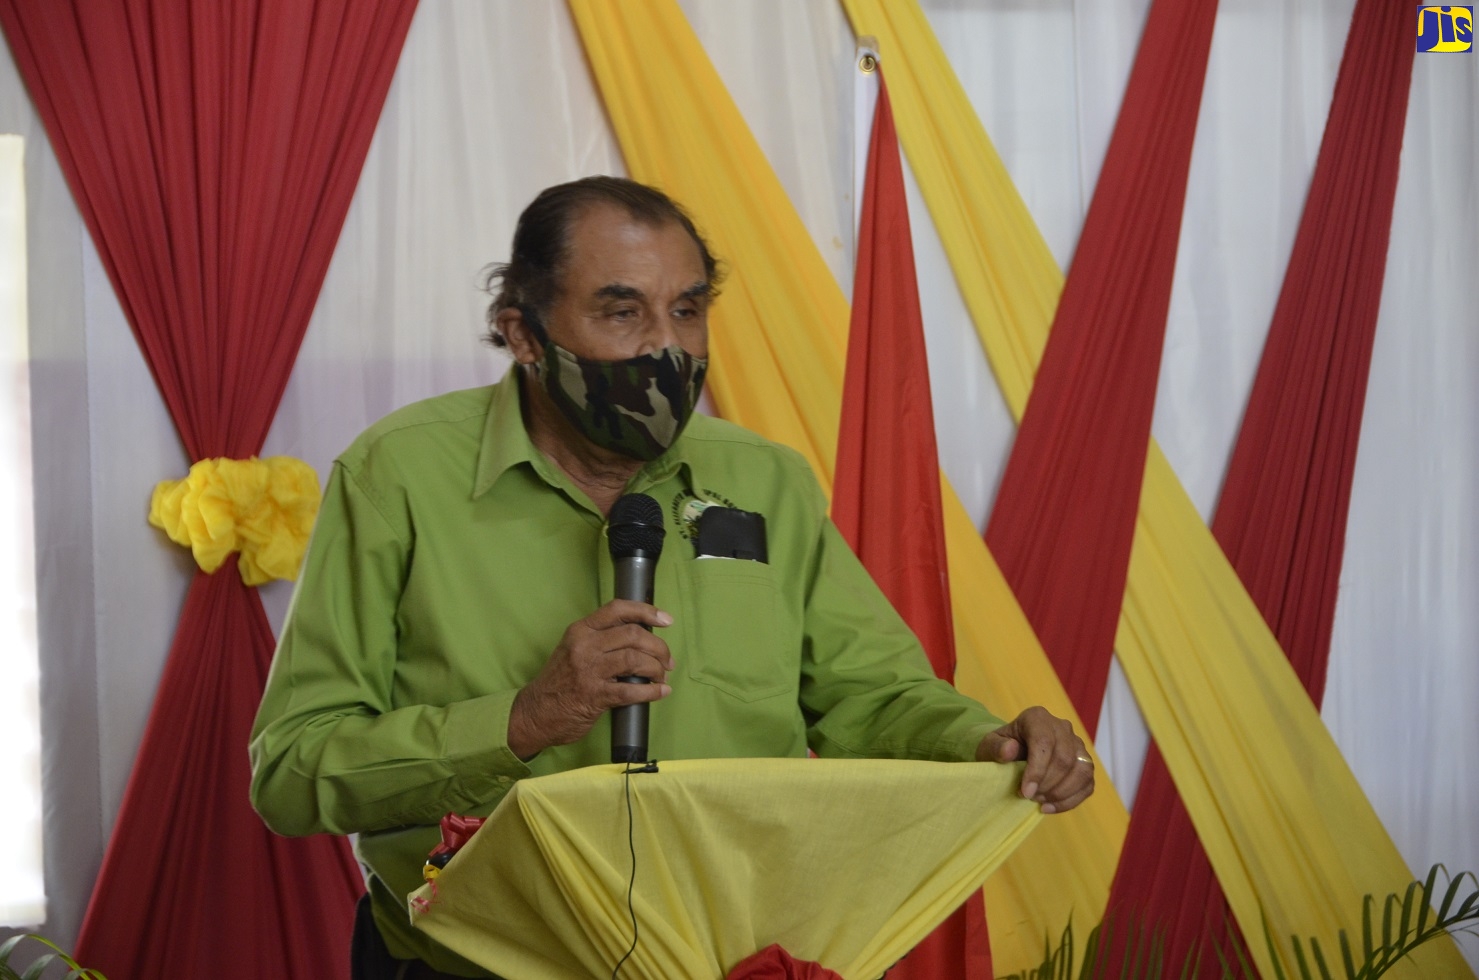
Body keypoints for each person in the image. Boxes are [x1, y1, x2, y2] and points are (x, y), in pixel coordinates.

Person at [249, 176, 1094, 980]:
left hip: (727, 958)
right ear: (522, 333)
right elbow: (292, 770)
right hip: (471, 966)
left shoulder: (767, 481)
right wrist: (523, 719)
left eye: (687, 310)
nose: (665, 346)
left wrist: (986, 743)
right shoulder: (396, 475)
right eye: (622, 310)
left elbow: (871, 698)